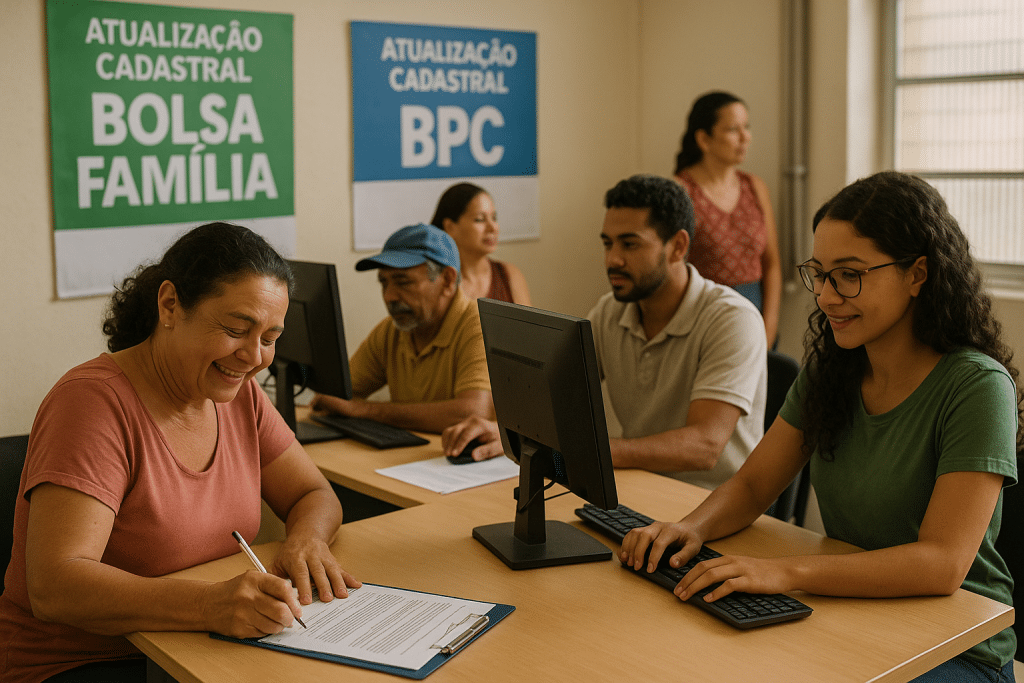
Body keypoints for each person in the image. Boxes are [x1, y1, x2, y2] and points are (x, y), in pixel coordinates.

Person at [621, 172, 1020, 683]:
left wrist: (785, 571)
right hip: (852, 615)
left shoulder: (977, 387)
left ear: (917, 274)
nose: (828, 297)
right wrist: (690, 528)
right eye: (821, 274)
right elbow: (753, 485)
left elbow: (941, 563)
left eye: (849, 275)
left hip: (958, 648)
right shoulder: (832, 371)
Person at [0, 223, 361, 683]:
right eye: (236, 330)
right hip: (83, 662)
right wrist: (209, 605)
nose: (254, 357)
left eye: (270, 339)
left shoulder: (240, 396)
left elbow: (313, 493)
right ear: (170, 305)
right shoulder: (91, 403)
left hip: (195, 647)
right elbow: (55, 587)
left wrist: (306, 539)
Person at [443, 176, 767, 488]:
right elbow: (556, 396)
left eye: (630, 244)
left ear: (678, 246)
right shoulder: (611, 311)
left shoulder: (732, 319)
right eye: (608, 244)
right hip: (640, 486)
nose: (613, 260)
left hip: (715, 503)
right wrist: (506, 430)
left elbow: (703, 446)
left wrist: (584, 450)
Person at [313, 223, 493, 434]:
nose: (389, 296)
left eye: (403, 282)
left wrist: (365, 410)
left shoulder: (480, 326)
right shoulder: (391, 331)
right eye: (384, 283)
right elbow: (336, 394)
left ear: (447, 280)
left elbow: (473, 413)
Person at [673, 91, 782, 346]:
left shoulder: (754, 186)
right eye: (733, 129)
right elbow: (672, 270)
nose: (745, 137)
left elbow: (772, 263)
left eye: (747, 127)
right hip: (704, 324)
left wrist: (768, 329)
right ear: (704, 138)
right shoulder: (682, 191)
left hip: (757, 319)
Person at [430, 182, 532, 305]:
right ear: (450, 227)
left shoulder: (509, 275)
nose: (492, 227)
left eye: (494, 218)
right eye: (480, 219)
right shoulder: (434, 281)